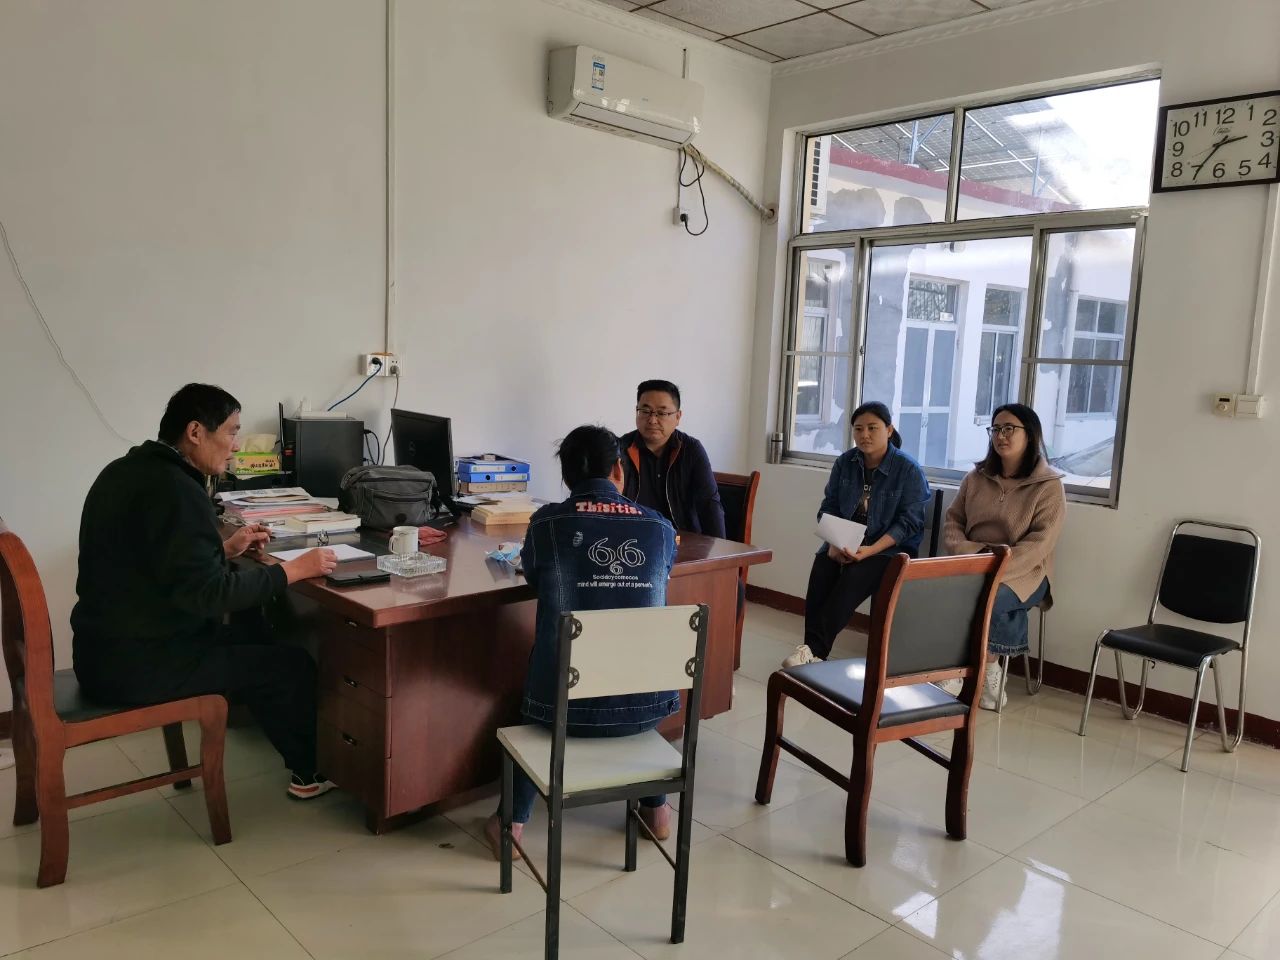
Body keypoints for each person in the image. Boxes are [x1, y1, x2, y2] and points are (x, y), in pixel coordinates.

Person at [72, 383, 340, 799]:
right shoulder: (177, 489)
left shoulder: (126, 471)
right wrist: (294, 570)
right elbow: (210, 596)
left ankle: (290, 750)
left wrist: (222, 549)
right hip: (140, 664)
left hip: (104, 651)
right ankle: (311, 772)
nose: (236, 446)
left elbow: (154, 561)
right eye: (232, 432)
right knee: (290, 665)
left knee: (254, 634)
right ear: (195, 432)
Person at [484, 425, 679, 858]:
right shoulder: (660, 527)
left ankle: (511, 826)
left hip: (558, 710)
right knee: (630, 658)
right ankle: (658, 811)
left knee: (546, 681)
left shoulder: (547, 523)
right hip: (645, 707)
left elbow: (534, 576)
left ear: (567, 477)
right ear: (618, 470)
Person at [783, 402, 931, 668]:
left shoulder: (908, 469)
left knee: (853, 577)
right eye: (859, 429)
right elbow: (828, 507)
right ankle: (813, 651)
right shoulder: (845, 462)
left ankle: (814, 650)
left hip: (889, 549)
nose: (865, 435)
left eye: (873, 428)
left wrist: (871, 550)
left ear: (889, 430)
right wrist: (834, 543)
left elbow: (910, 523)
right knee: (822, 568)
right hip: (845, 541)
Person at [943, 403, 1065, 710]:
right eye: (996, 429)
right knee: (941, 592)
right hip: (974, 563)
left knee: (987, 597)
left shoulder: (1048, 486)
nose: (1001, 435)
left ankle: (958, 670)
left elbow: (1039, 544)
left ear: (1030, 435)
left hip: (1025, 572)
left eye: (1009, 428)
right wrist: (971, 554)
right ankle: (990, 668)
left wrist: (995, 568)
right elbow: (953, 521)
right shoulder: (976, 477)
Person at [620, 379, 725, 538]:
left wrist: (719, 550)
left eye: (662, 413)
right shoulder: (620, 449)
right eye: (645, 411)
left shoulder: (691, 450)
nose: (652, 420)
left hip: (683, 541)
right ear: (637, 411)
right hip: (633, 541)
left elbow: (709, 505)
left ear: (678, 416)